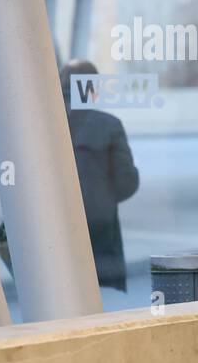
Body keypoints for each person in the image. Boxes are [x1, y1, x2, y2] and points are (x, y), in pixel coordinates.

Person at [60, 60, 140, 292]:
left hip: (56, 222)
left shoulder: (43, 124)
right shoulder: (109, 125)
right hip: (100, 226)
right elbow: (127, 181)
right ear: (93, 91)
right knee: (101, 295)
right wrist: (101, 197)